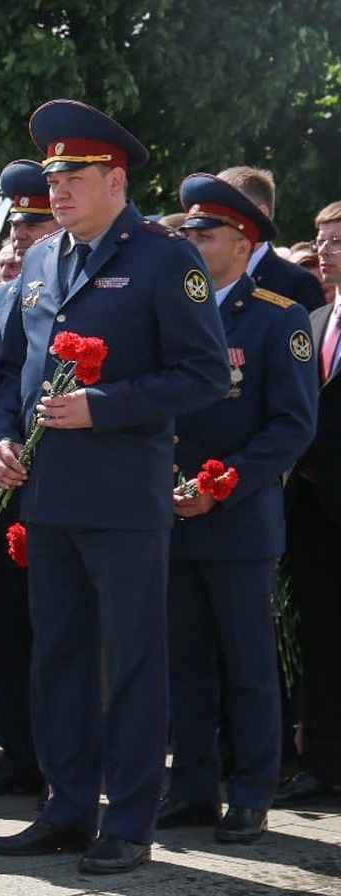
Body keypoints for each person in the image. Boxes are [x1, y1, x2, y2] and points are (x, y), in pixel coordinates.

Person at [0, 100, 229, 874]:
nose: (56, 190)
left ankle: (126, 820)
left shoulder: (164, 259)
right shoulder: (45, 260)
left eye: (73, 176)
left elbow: (200, 375)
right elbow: (13, 375)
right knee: (56, 656)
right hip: (48, 496)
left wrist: (104, 407)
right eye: (52, 176)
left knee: (129, 662)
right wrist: (0, 441)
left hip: (123, 498)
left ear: (114, 179)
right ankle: (65, 807)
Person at [154, 174, 318, 843]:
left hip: (238, 519)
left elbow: (291, 427)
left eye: (205, 232)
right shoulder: (174, 309)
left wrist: (220, 486)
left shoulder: (278, 316)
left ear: (242, 240)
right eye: (188, 230)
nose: (191, 240)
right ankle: (192, 789)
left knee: (247, 663)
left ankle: (251, 791)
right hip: (169, 510)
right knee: (184, 662)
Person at [0, 158, 60, 799]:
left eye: (37, 221)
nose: (21, 233)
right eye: (17, 224)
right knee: (6, 631)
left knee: (62, 634)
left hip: (64, 491)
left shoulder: (76, 293)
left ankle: (67, 758)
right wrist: (1, 443)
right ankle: (20, 754)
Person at [277, 199, 341, 806]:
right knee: (320, 636)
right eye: (320, 240)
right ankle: (323, 762)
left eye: (338, 240)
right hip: (313, 511)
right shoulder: (317, 320)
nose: (324, 251)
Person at [218, 166, 326, 311]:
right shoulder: (206, 277)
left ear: (261, 214)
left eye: (227, 210)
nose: (216, 221)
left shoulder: (298, 283)